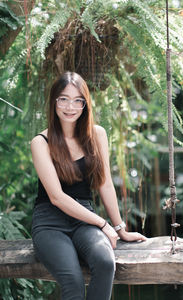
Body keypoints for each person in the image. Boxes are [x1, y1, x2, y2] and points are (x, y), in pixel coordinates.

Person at [31, 71, 146, 300]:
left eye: (77, 100)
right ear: (54, 101)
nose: (70, 107)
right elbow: (57, 197)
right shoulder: (40, 142)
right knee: (73, 281)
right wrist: (103, 224)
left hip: (84, 220)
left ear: (85, 104)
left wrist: (120, 228)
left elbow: (104, 184)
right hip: (50, 223)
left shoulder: (97, 135)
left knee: (105, 262)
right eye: (63, 99)